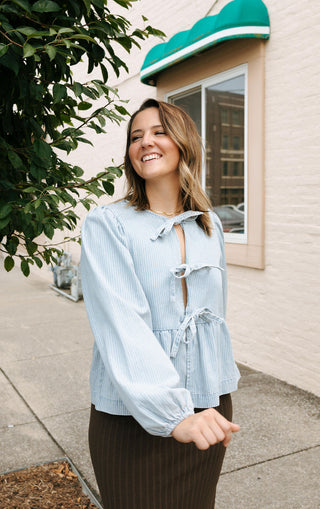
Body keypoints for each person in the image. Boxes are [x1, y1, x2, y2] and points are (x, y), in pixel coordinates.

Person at [80, 98, 241, 509]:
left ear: (184, 142)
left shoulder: (211, 223)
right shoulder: (108, 223)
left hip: (208, 406)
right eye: (135, 136)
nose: (144, 142)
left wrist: (212, 393)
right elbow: (121, 324)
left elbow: (214, 315)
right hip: (134, 414)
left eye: (158, 131)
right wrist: (173, 414)